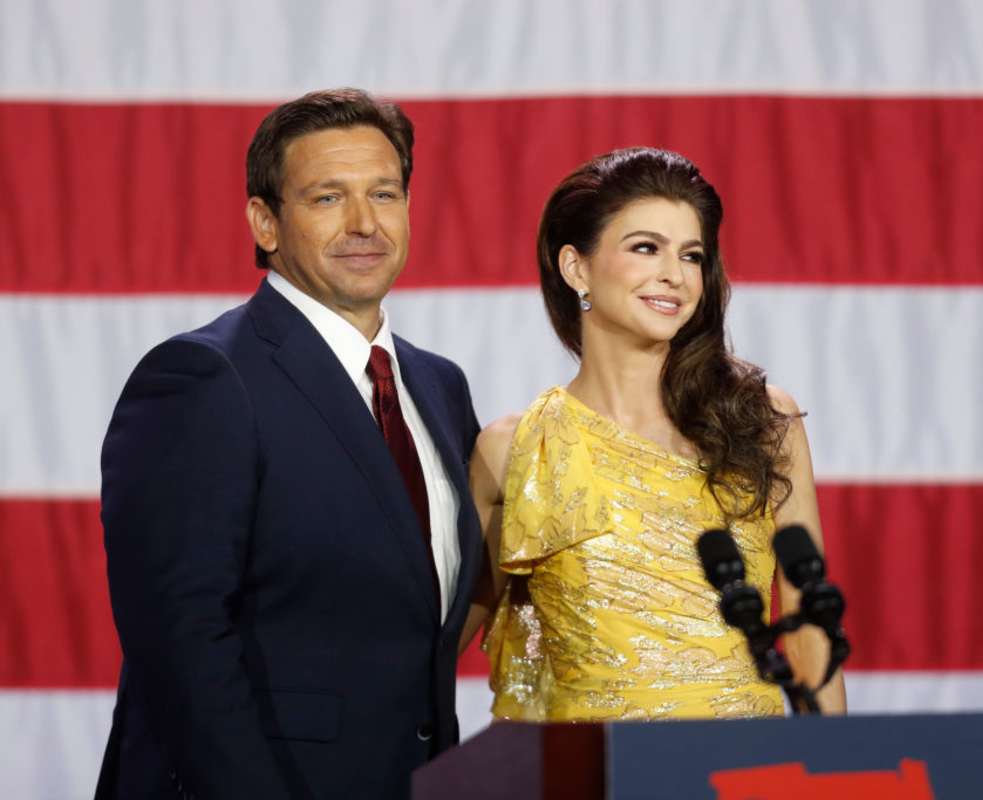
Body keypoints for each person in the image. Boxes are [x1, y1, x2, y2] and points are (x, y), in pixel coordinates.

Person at [96, 88, 481, 799]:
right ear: (265, 221)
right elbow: (182, 649)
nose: (365, 223)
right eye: (328, 198)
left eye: (384, 194)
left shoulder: (438, 387)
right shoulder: (202, 378)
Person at [461, 147, 847, 721]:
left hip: (742, 771)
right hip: (592, 774)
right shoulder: (517, 449)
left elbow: (812, 631)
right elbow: (437, 642)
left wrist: (833, 772)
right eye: (646, 247)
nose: (675, 274)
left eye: (691, 255)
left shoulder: (761, 421)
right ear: (576, 268)